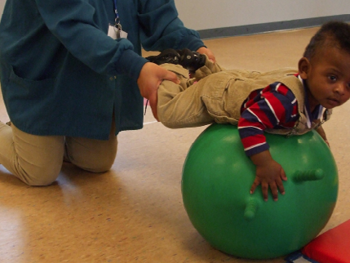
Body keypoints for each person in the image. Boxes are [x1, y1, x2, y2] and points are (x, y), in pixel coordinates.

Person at [0, 0, 215, 186]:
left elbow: (159, 14)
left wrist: (195, 47)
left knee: (97, 162)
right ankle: (29, 133)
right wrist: (136, 67)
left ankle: (49, 135)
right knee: (39, 172)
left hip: (87, 70)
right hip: (42, 70)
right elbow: (75, 27)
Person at [149, 21, 350, 201]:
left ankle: (201, 64)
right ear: (305, 69)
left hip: (243, 82)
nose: (340, 90)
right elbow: (249, 121)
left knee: (230, 82)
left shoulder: (322, 96)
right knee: (169, 112)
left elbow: (311, 118)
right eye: (332, 78)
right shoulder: (285, 101)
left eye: (349, 84)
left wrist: (319, 136)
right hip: (218, 95)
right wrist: (264, 163)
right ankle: (172, 67)